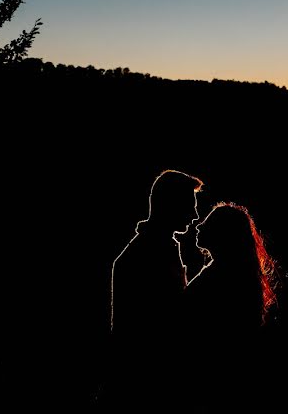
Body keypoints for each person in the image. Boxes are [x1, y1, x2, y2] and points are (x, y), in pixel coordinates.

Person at [100, 169, 204, 409]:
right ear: (171, 204)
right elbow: (168, 318)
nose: (195, 214)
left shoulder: (156, 247)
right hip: (146, 385)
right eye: (190, 205)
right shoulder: (148, 253)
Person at [184, 202, 280, 411]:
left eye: (208, 223)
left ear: (223, 235)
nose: (199, 226)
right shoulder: (231, 274)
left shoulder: (219, 277)